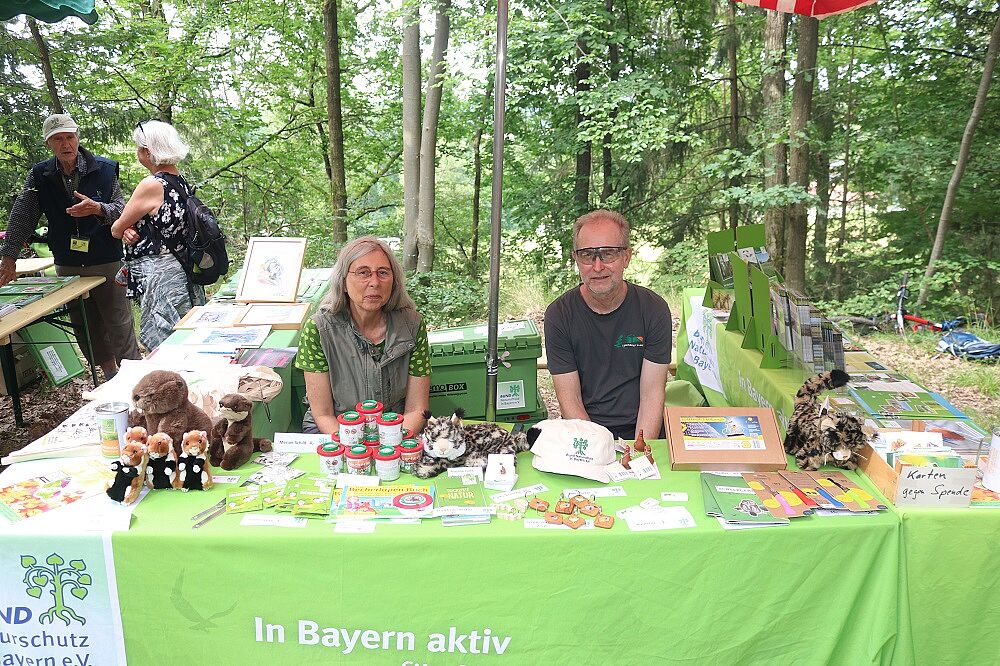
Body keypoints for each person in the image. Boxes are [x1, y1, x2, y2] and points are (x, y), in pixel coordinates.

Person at [0, 113, 140, 379]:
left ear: (77, 138)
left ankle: (135, 378)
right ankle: (110, 377)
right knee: (85, 325)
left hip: (106, 259)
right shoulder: (40, 175)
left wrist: (98, 208)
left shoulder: (104, 169)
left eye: (69, 137)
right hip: (68, 262)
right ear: (48, 144)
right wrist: (9, 256)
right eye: (58, 139)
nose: (66, 144)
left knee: (118, 323)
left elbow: (123, 211)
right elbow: (22, 216)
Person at [544, 210, 672, 440]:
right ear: (576, 259)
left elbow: (652, 395)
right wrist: (596, 448)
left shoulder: (654, 310)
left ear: (627, 257)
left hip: (643, 430)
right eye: (587, 255)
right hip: (585, 431)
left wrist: (638, 451)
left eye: (608, 254)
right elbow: (569, 400)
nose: (598, 266)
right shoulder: (559, 315)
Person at [296, 236, 431, 435]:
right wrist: (356, 450)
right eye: (363, 273)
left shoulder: (412, 326)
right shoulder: (318, 329)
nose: (374, 282)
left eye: (383, 273)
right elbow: (323, 414)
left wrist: (389, 444)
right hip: (335, 430)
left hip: (396, 429)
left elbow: (416, 409)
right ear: (343, 281)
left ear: (394, 281)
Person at [111, 120, 206, 350]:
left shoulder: (152, 185)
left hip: (161, 277)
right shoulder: (180, 182)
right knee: (184, 338)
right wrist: (131, 230)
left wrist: (124, 229)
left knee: (165, 343)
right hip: (184, 272)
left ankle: (169, 386)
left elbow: (115, 228)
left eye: (138, 147)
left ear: (147, 151)